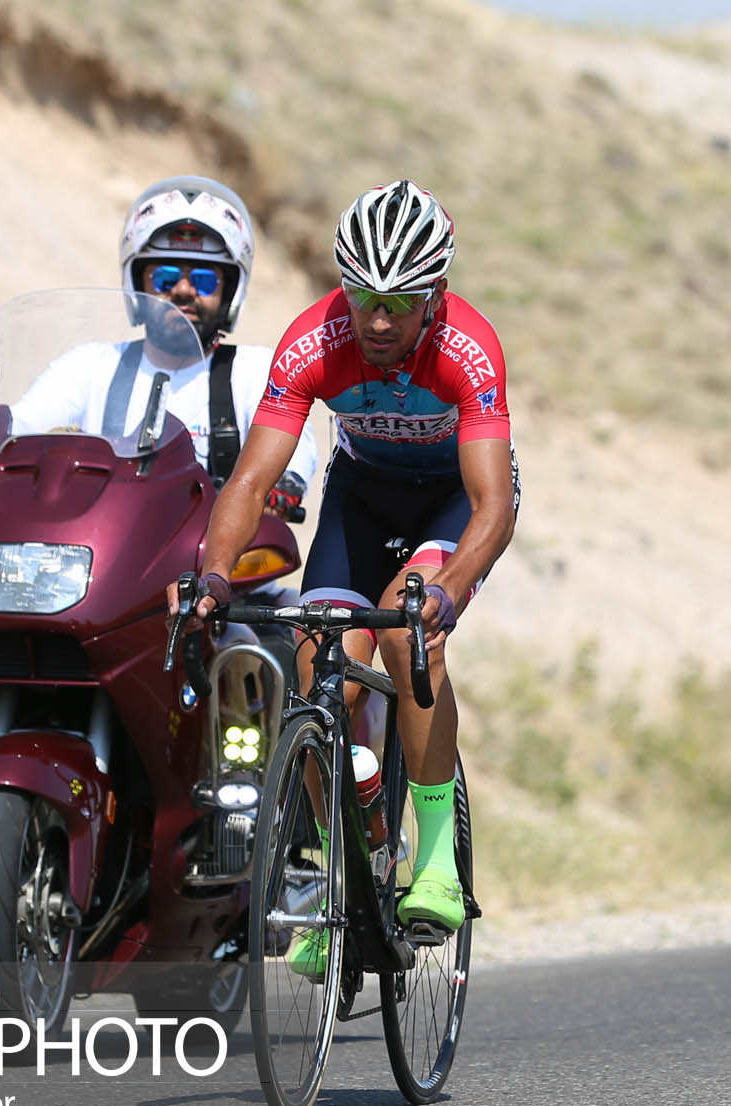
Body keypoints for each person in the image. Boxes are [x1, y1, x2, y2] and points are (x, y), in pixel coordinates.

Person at [176, 179, 518, 953]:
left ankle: (435, 860)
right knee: (314, 666)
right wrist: (215, 574)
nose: (378, 320)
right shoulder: (314, 341)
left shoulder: (468, 347)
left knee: (405, 634)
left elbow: (492, 504)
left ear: (436, 295)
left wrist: (448, 590)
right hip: (362, 497)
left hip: (451, 502)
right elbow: (250, 482)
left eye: (400, 302)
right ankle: (347, 877)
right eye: (363, 297)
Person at [10, 174, 320, 513]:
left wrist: (282, 482)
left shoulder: (256, 373)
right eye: (165, 277)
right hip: (98, 538)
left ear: (230, 291)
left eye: (204, 279)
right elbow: (19, 427)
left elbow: (293, 446)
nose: (183, 290)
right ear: (138, 284)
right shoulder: (90, 366)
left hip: (210, 544)